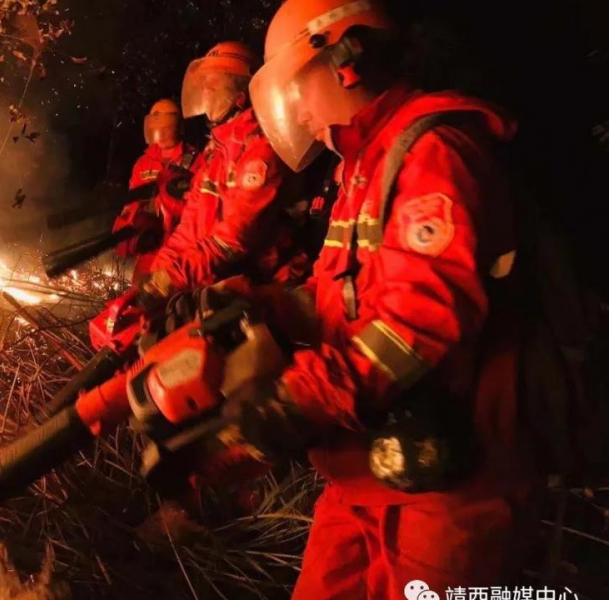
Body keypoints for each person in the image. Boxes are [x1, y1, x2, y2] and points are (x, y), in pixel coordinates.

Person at [167, 1, 541, 598]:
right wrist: (262, 305)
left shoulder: (433, 153)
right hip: (365, 470)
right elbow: (342, 296)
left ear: (345, 63)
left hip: (450, 491)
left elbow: (421, 320)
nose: (298, 114)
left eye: (297, 91)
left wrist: (299, 397)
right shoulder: (365, 164)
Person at [140, 42, 292, 304]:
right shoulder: (216, 152)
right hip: (216, 277)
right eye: (203, 86)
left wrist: (173, 278)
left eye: (213, 84)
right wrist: (158, 270)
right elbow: (190, 226)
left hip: (264, 286)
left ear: (240, 93)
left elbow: (232, 241)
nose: (205, 93)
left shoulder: (260, 149)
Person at [113, 99, 200, 280]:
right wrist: (136, 236)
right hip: (150, 253)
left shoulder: (196, 160)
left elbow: (201, 208)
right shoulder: (144, 162)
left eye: (164, 127)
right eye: (155, 124)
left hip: (182, 254)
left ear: (174, 127)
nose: (159, 132)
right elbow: (131, 206)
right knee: (141, 300)